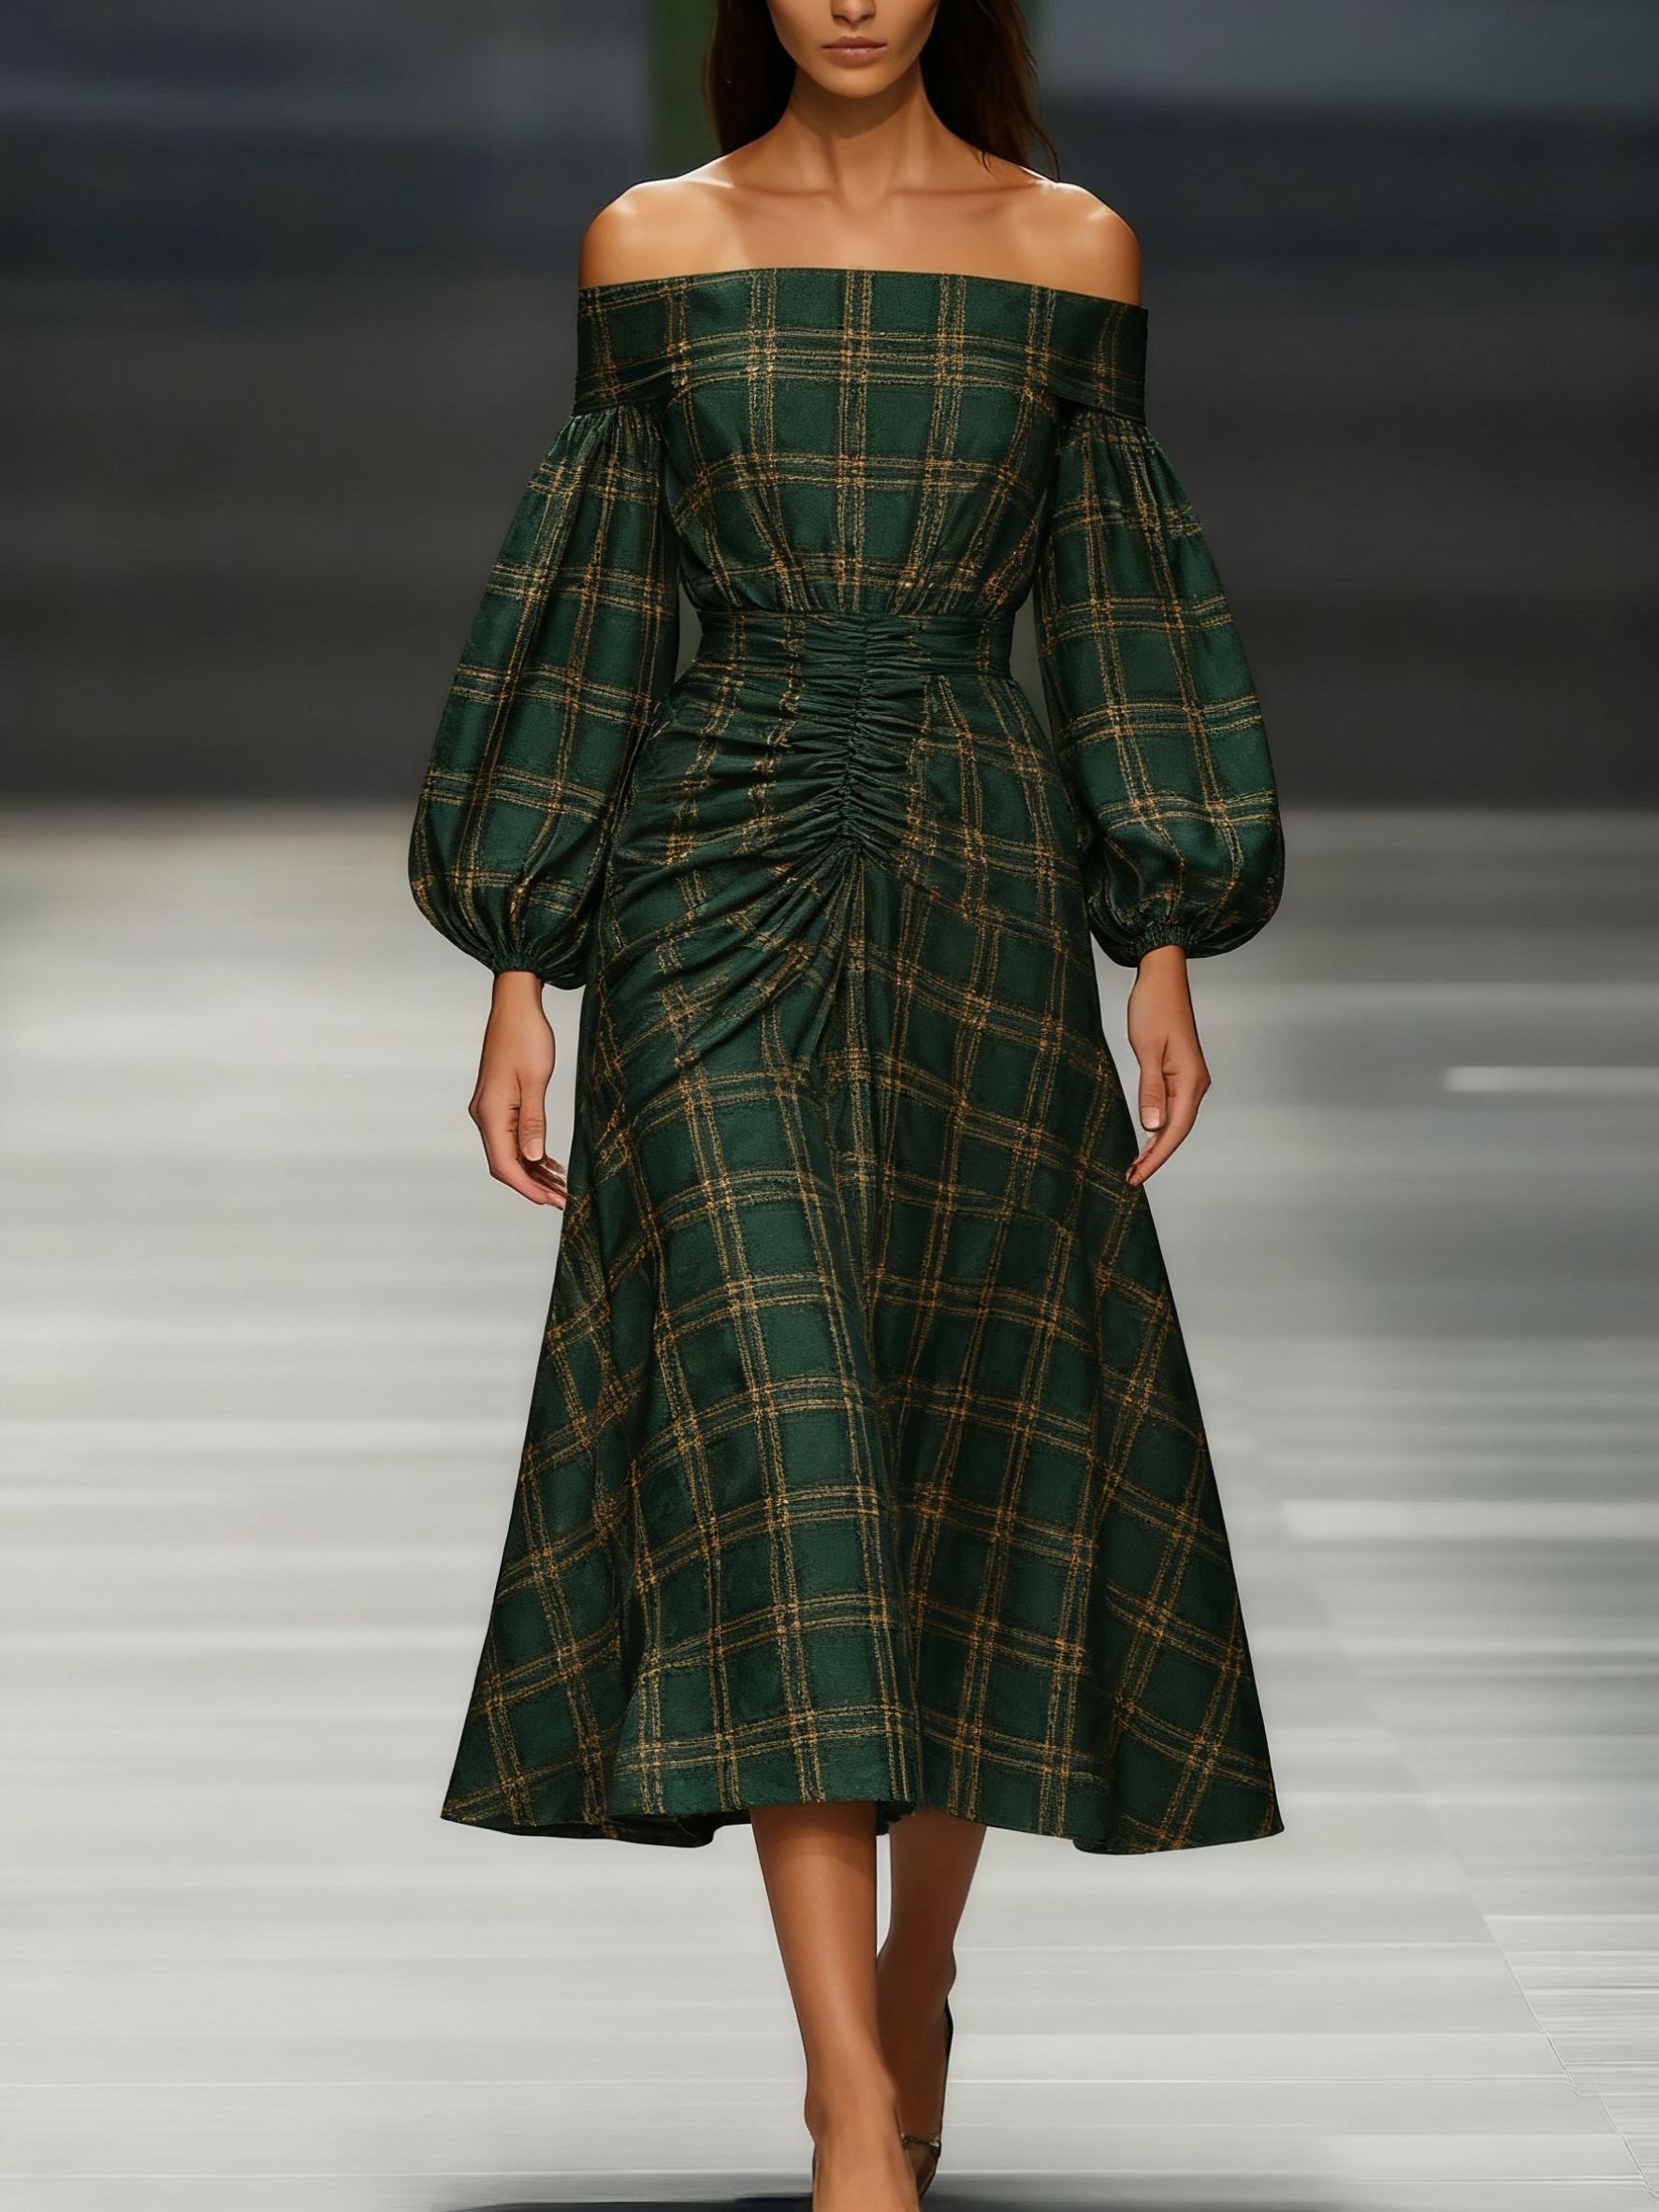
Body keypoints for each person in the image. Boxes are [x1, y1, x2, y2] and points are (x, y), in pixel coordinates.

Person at [408, 4, 1284, 2208]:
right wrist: (522, 960)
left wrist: (1159, 927)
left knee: (956, 1434)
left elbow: (1115, 596)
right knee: (781, 1441)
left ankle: (915, 1986)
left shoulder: (1071, 248)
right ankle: (848, 2113)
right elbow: (597, 598)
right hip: (707, 879)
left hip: (978, 870)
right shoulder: (651, 242)